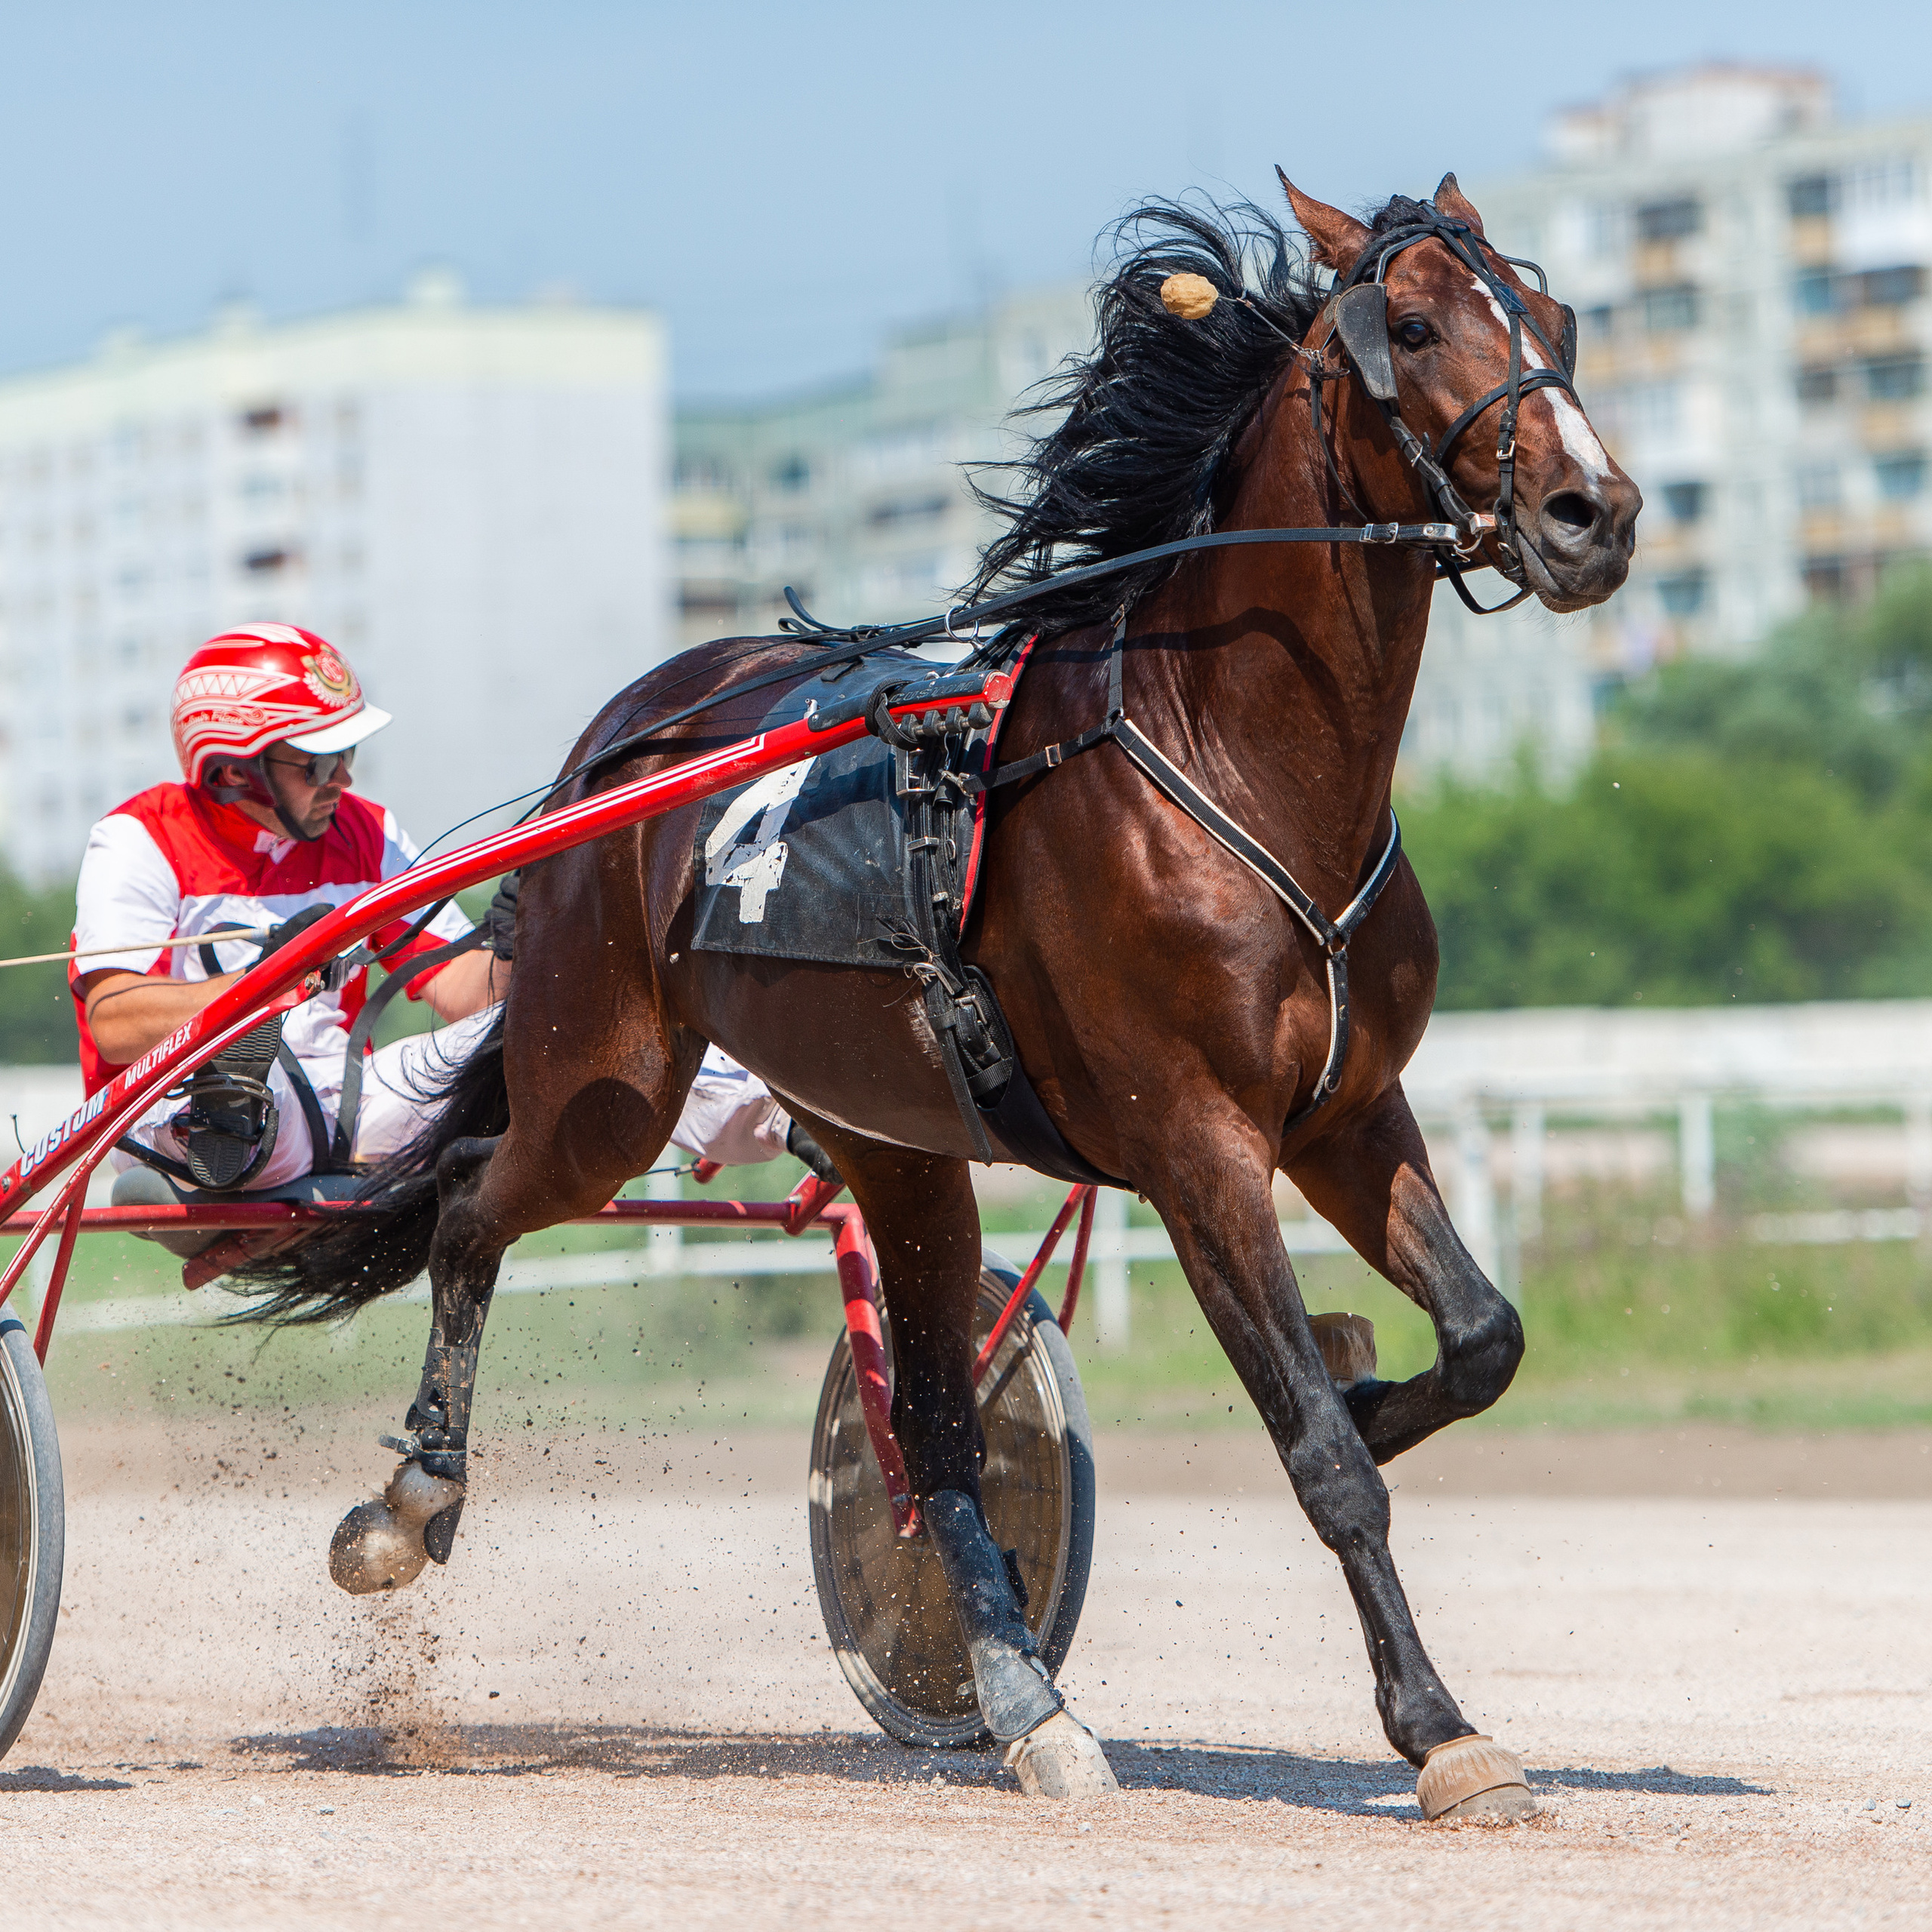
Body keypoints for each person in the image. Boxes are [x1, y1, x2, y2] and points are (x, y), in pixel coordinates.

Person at [72, 623, 827, 1220]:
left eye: (349, 752)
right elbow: (113, 1022)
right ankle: (232, 1128)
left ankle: (800, 1113)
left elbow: (462, 990)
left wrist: (536, 944)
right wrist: (264, 983)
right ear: (234, 767)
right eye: (320, 762)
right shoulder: (138, 840)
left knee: (580, 1034)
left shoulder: (364, 832)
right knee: (256, 1084)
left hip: (347, 1108)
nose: (346, 778)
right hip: (179, 1112)